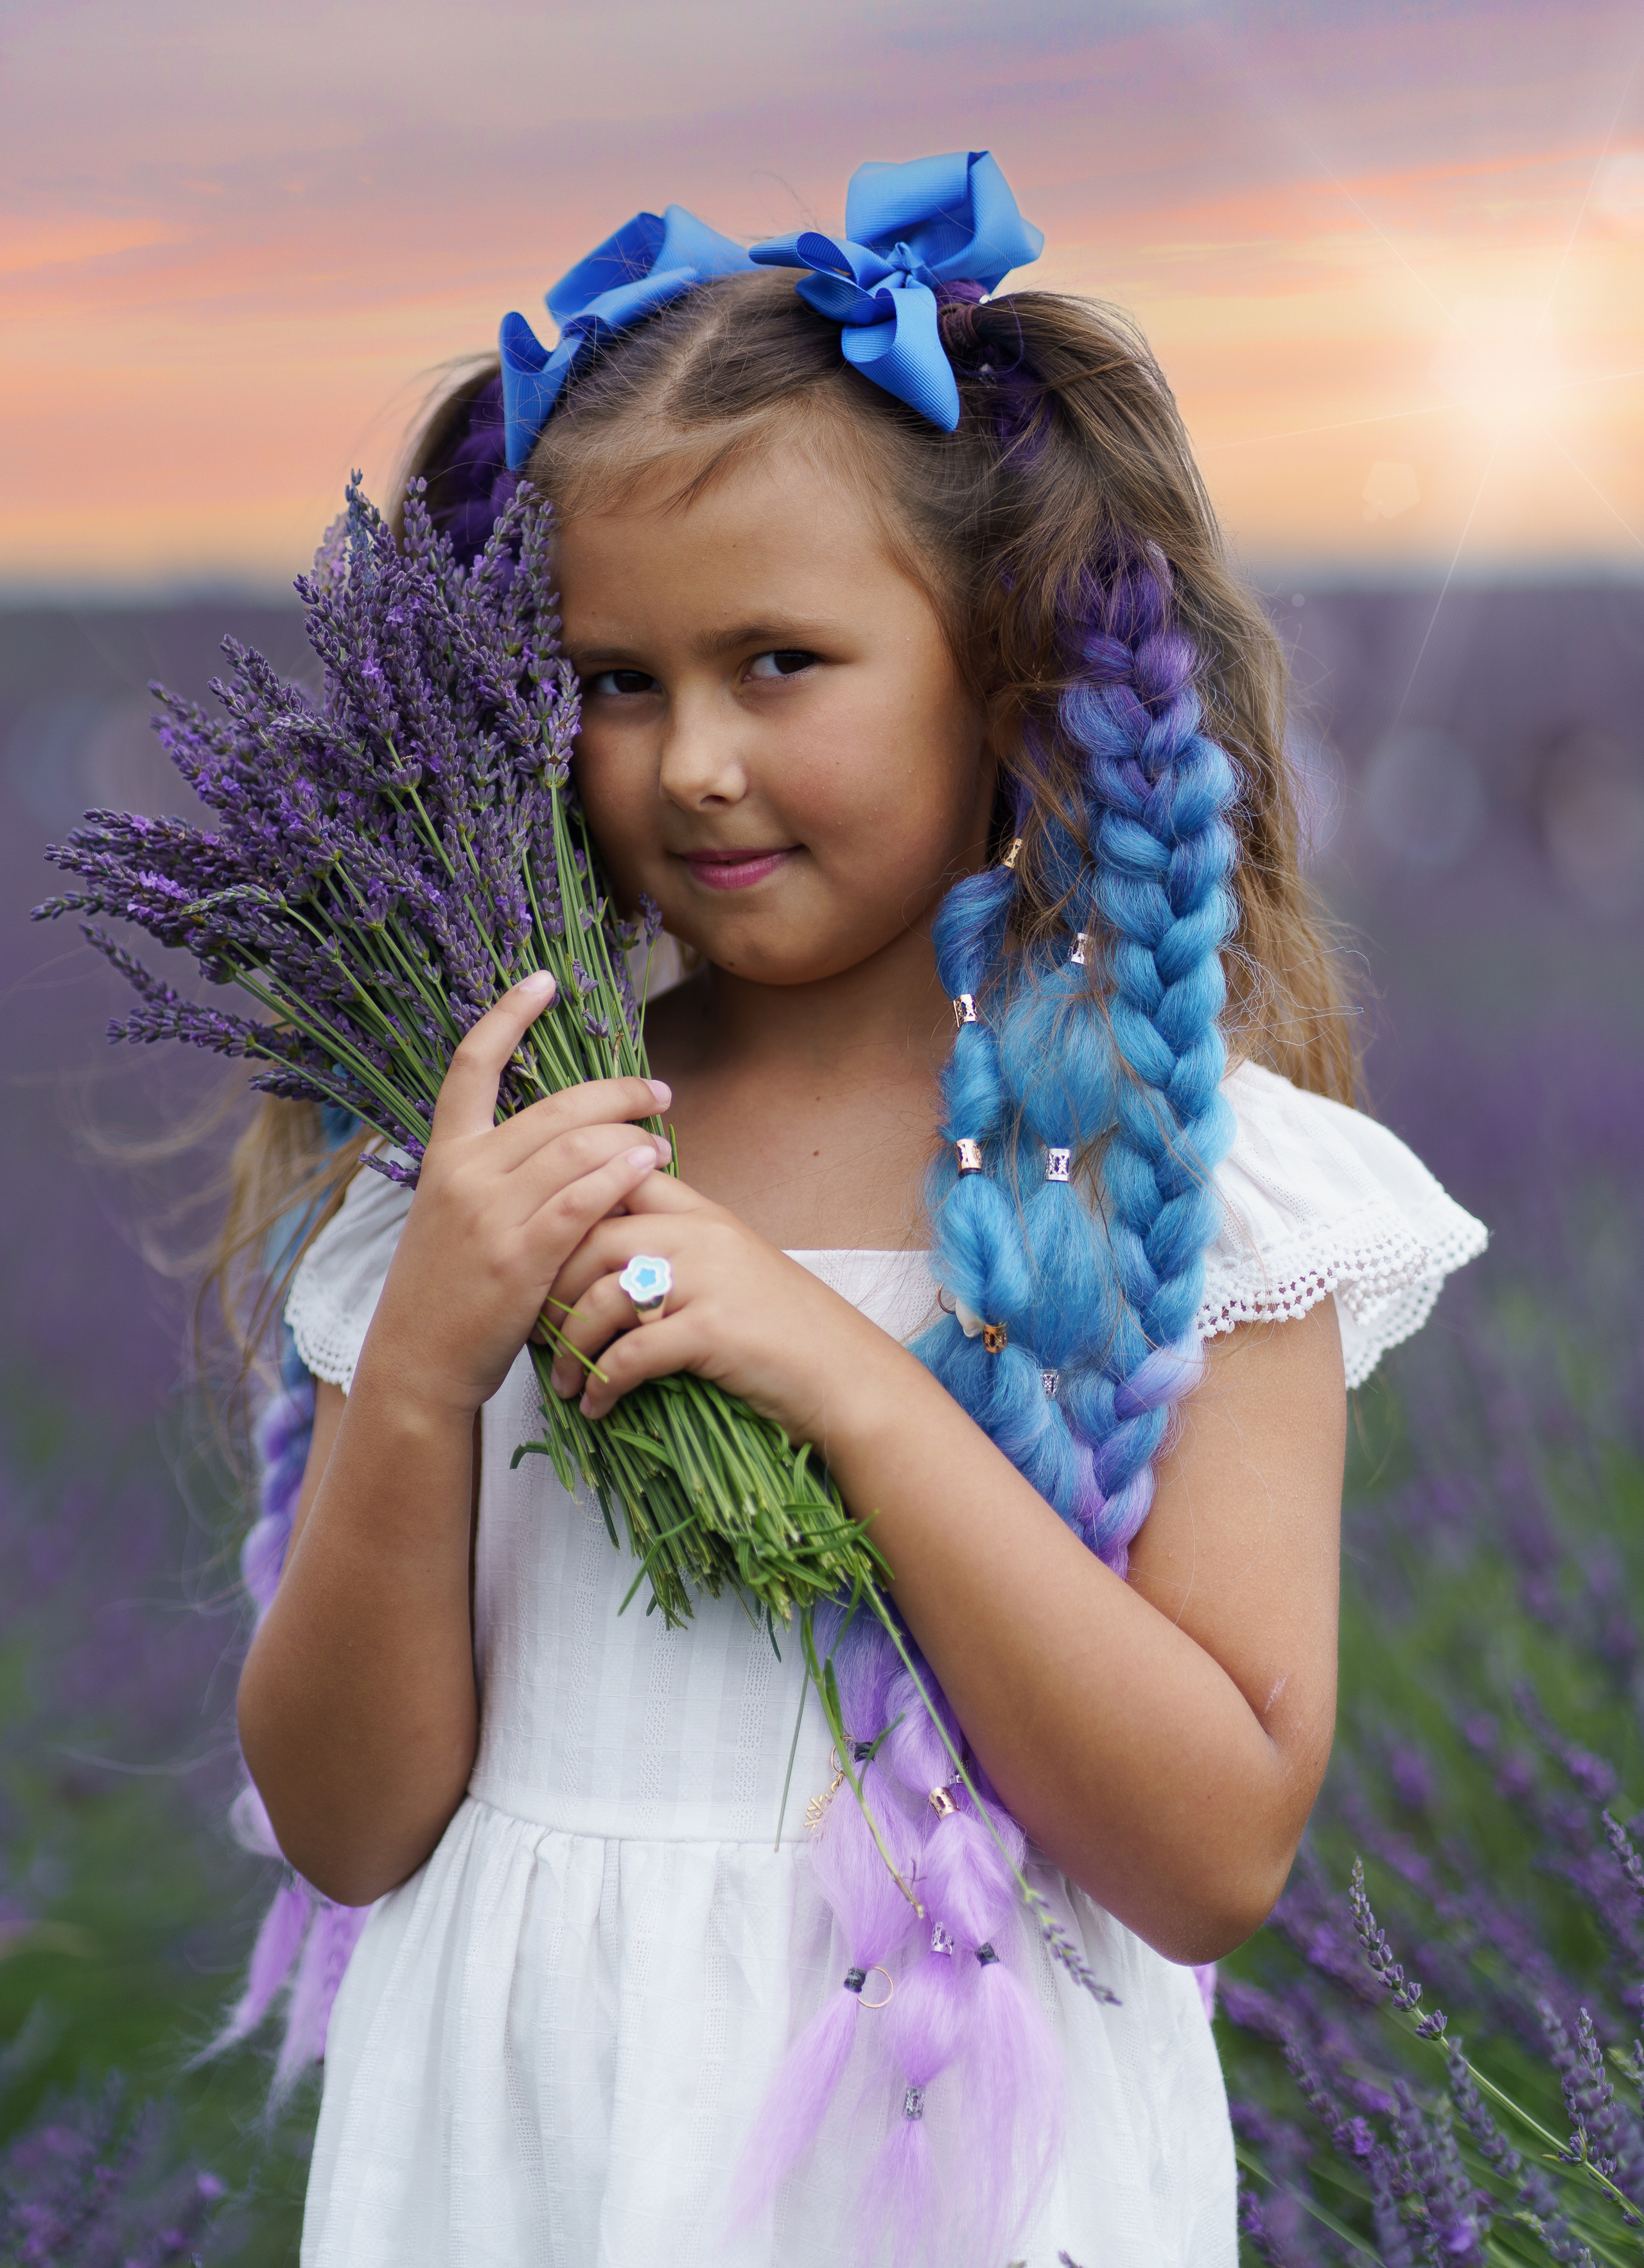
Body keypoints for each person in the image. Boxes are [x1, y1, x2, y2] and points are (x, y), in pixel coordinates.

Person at [227, 152, 1485, 2266]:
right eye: (614, 681)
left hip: (956, 2179)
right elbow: (351, 1826)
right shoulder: (500, 1161)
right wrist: (434, 1366)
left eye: (778, 663)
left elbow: (1209, 1855)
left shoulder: (1190, 1194)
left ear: (1002, 684)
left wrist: (857, 1388)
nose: (690, 761)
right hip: (527, 2156)